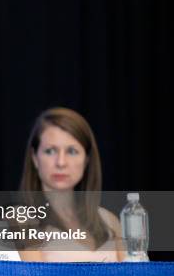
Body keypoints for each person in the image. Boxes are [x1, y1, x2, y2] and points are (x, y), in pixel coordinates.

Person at [17, 107, 125, 262]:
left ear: (87, 159)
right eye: (50, 151)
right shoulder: (22, 220)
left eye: (72, 151)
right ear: (35, 157)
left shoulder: (110, 221)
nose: (61, 162)